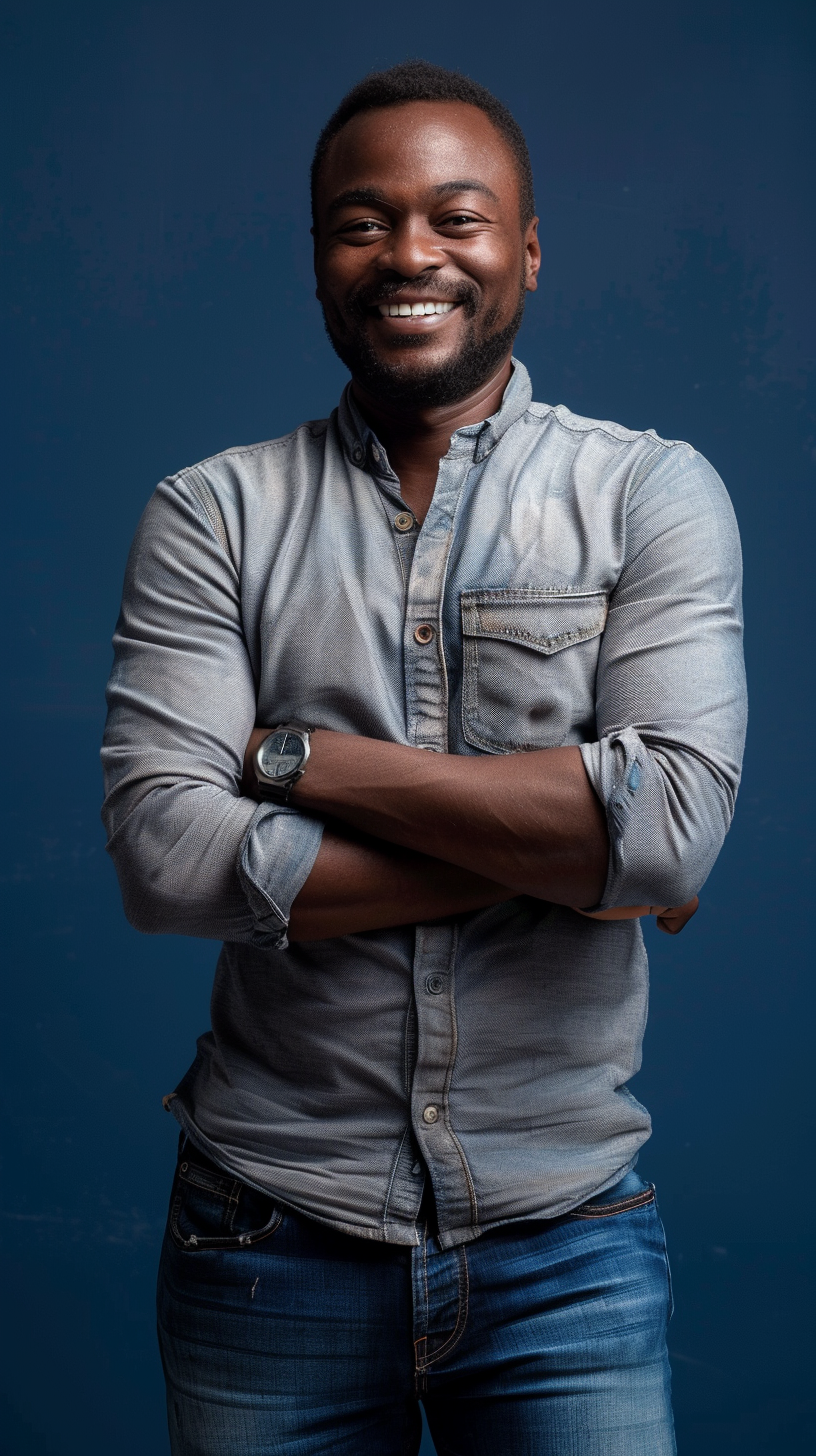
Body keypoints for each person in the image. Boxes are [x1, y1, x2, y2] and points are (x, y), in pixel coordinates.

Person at [101, 60, 746, 1456]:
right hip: (264, 1228)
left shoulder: (650, 492)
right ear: (319, 261)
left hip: (567, 1236)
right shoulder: (211, 513)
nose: (409, 253)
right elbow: (165, 860)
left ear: (525, 250)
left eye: (457, 217)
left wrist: (295, 761)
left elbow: (675, 832)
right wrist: (587, 862)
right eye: (362, 220)